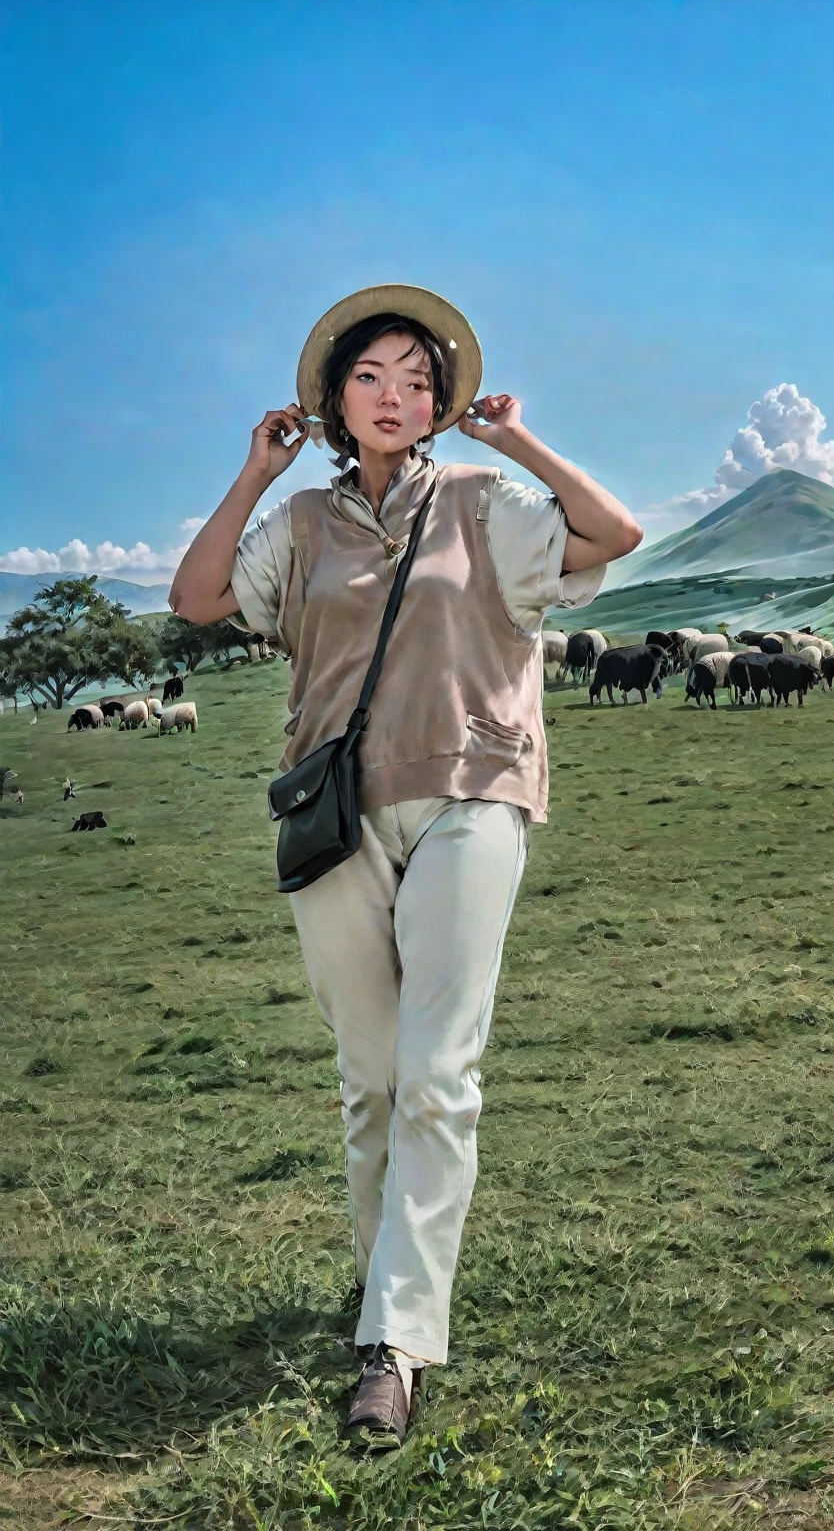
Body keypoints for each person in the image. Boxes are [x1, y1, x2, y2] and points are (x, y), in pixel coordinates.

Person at [168, 284, 642, 1449]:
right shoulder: (301, 527)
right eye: (372, 376)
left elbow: (610, 534)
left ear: (445, 403)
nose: (398, 396)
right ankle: (389, 1281)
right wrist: (255, 476)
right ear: (333, 398)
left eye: (420, 380)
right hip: (337, 809)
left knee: (438, 1073)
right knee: (370, 1075)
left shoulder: (485, 500)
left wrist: (510, 436)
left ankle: (396, 1345)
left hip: (473, 793)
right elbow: (197, 599)